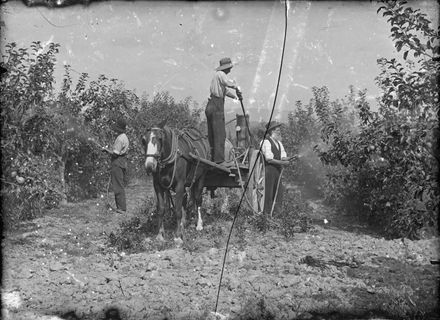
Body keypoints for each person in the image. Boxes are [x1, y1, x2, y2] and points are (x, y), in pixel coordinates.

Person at [205, 57, 242, 165]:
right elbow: (228, 83)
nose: (230, 70)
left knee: (212, 132)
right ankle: (219, 160)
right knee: (220, 133)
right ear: (226, 68)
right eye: (229, 68)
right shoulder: (221, 74)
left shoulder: (217, 76)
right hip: (216, 105)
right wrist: (237, 87)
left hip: (211, 105)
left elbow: (225, 90)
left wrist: (234, 97)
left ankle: (212, 157)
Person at [260, 121, 291, 215]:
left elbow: (282, 156)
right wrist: (283, 162)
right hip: (269, 170)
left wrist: (290, 158)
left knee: (278, 192)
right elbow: (269, 159)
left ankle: (277, 214)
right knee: (268, 193)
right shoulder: (266, 142)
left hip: (277, 170)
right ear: (271, 131)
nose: (279, 132)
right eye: (277, 130)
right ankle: (266, 214)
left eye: (279, 130)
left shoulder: (279, 143)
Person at [102, 118, 129, 214]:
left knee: (118, 185)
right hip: (122, 162)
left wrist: (106, 150)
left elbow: (115, 154)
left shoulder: (120, 139)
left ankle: (121, 208)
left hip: (118, 162)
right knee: (119, 184)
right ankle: (121, 207)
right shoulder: (124, 136)